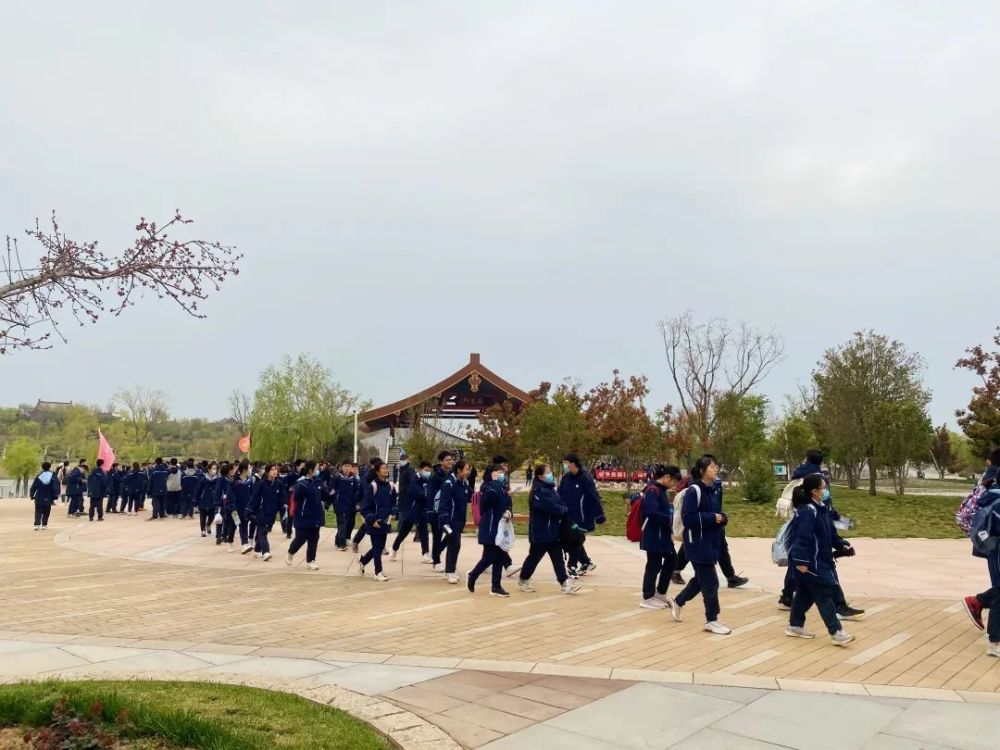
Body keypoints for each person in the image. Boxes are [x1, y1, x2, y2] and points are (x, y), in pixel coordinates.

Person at [777, 450, 864, 620]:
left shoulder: (800, 475)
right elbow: (827, 509)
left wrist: (839, 539)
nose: (825, 490)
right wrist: (845, 524)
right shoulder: (817, 480)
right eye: (823, 489)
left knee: (799, 569)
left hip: (805, 531)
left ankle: (787, 600)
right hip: (815, 537)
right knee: (825, 572)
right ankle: (839, 607)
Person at [786, 474, 856, 646]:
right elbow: (801, 538)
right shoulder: (807, 512)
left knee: (805, 595)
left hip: (822, 560)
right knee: (824, 595)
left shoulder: (822, 509)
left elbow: (829, 533)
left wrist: (840, 545)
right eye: (823, 488)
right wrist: (801, 562)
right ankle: (836, 632)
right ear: (814, 492)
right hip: (812, 563)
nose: (826, 490)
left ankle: (795, 625)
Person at [671, 455, 731, 634]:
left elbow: (716, 512)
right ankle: (712, 620)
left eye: (716, 466)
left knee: (700, 580)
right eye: (711, 467)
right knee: (711, 583)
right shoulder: (694, 491)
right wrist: (712, 518)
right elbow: (688, 518)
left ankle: (678, 601)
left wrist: (722, 518)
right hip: (696, 543)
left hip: (711, 541)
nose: (715, 469)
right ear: (701, 471)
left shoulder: (715, 489)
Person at [517, 464, 581, 595]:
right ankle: (523, 579)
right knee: (534, 558)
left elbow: (560, 504)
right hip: (541, 533)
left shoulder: (551, 490)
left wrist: (562, 509)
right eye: (548, 472)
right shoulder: (539, 492)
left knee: (558, 559)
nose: (550, 474)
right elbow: (552, 507)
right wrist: (563, 510)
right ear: (540, 476)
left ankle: (565, 583)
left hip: (553, 532)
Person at [961, 449, 1000, 657]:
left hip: (990, 545)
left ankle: (978, 602)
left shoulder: (988, 482)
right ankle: (994, 640)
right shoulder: (995, 487)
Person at [639, 465, 682, 610]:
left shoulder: (659, 490)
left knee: (671, 559)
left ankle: (660, 592)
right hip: (654, 535)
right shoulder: (652, 490)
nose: (674, 485)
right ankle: (647, 597)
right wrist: (670, 520)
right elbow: (651, 513)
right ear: (667, 477)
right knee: (654, 564)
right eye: (674, 481)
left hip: (661, 535)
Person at [467, 464, 513, 597]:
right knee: (488, 558)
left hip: (499, 526)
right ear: (491, 473)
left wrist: (509, 510)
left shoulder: (501, 487)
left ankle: (496, 586)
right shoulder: (488, 487)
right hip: (490, 527)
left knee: (498, 556)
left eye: (502, 472)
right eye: (498, 472)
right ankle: (473, 575)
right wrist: (496, 483)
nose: (501, 474)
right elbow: (488, 502)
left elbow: (505, 503)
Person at [559, 453, 605, 576]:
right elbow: (559, 495)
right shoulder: (566, 478)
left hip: (582, 517)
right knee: (571, 540)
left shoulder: (585, 478)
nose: (564, 466)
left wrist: (599, 516)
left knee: (575, 541)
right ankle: (586, 562)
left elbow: (594, 496)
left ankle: (572, 566)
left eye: (566, 463)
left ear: (572, 464)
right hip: (567, 517)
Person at [358, 460, 394, 581]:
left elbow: (393, 503)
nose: (386, 470)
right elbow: (365, 507)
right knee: (378, 548)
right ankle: (378, 572)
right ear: (378, 471)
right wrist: (372, 520)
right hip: (374, 522)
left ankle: (363, 561)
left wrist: (393, 513)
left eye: (387, 468)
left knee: (378, 547)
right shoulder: (372, 486)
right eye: (383, 468)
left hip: (385, 522)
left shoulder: (390, 486)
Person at [285, 460, 325, 570]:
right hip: (303, 516)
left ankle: (311, 560)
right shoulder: (301, 484)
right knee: (301, 538)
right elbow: (296, 498)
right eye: (317, 468)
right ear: (311, 470)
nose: (318, 470)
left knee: (314, 538)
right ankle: (291, 552)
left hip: (316, 516)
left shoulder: (318, 482)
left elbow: (324, 495)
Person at [438, 459, 472, 583]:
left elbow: (469, 497)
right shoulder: (449, 483)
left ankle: (449, 566)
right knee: (455, 544)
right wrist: (445, 521)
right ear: (459, 470)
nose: (468, 472)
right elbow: (443, 504)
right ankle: (449, 571)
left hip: (460, 519)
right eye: (466, 469)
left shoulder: (464, 483)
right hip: (450, 520)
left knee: (454, 545)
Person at [390, 460, 431, 561]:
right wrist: (427, 495)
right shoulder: (414, 479)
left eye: (429, 471)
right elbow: (418, 494)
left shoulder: (428, 480)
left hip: (422, 510)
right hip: (412, 510)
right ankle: (394, 548)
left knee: (424, 532)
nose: (428, 473)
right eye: (426, 470)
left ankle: (425, 553)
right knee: (403, 532)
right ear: (420, 469)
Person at [426, 451, 455, 568]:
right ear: (441, 462)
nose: (450, 462)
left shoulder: (452, 475)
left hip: (449, 510)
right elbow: (431, 495)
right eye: (447, 460)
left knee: (451, 534)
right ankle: (436, 561)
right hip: (437, 511)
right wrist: (431, 512)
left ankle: (437, 552)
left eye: (451, 459)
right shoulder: (435, 477)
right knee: (437, 536)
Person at [251, 463, 284, 561]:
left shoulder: (279, 484)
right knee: (263, 532)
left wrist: (283, 506)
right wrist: (250, 510)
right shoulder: (261, 484)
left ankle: (257, 550)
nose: (275, 472)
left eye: (276, 470)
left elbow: (282, 498)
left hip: (272, 513)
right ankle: (266, 552)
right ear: (267, 472)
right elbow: (254, 498)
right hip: (261, 512)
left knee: (264, 532)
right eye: (272, 470)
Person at [332, 459, 359, 551]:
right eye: (345, 466)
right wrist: (334, 500)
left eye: (349, 466)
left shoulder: (353, 480)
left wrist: (357, 503)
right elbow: (331, 490)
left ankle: (337, 542)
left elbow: (357, 492)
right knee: (342, 524)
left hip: (349, 506)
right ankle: (342, 544)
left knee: (343, 525)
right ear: (342, 467)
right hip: (339, 505)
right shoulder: (337, 478)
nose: (347, 468)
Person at [231, 461, 254, 554]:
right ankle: (230, 542)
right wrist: (232, 507)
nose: (250, 469)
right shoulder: (234, 482)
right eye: (249, 468)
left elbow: (252, 494)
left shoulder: (249, 481)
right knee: (233, 526)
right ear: (244, 469)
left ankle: (244, 544)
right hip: (235, 508)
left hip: (246, 508)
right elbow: (231, 496)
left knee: (243, 525)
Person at [30, 461, 60, 530]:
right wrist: (56, 495)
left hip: (39, 495)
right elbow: (56, 486)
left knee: (38, 510)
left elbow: (34, 486)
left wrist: (32, 495)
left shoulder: (39, 476)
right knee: (47, 511)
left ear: (42, 467)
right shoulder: (53, 476)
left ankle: (37, 524)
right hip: (48, 496)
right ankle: (44, 524)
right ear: (49, 467)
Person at [215, 463, 236, 549]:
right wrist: (217, 502)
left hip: (233, 503)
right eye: (232, 469)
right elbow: (217, 491)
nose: (234, 471)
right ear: (228, 471)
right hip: (223, 502)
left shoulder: (235, 479)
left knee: (231, 520)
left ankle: (225, 535)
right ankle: (219, 536)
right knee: (220, 519)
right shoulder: (221, 480)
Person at [198, 461, 219, 537]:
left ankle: (208, 524)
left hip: (213, 501)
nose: (215, 470)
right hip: (203, 500)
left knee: (212, 516)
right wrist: (195, 500)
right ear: (209, 469)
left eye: (216, 469)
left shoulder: (217, 480)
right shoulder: (203, 480)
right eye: (213, 468)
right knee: (202, 516)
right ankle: (203, 530)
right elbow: (198, 490)